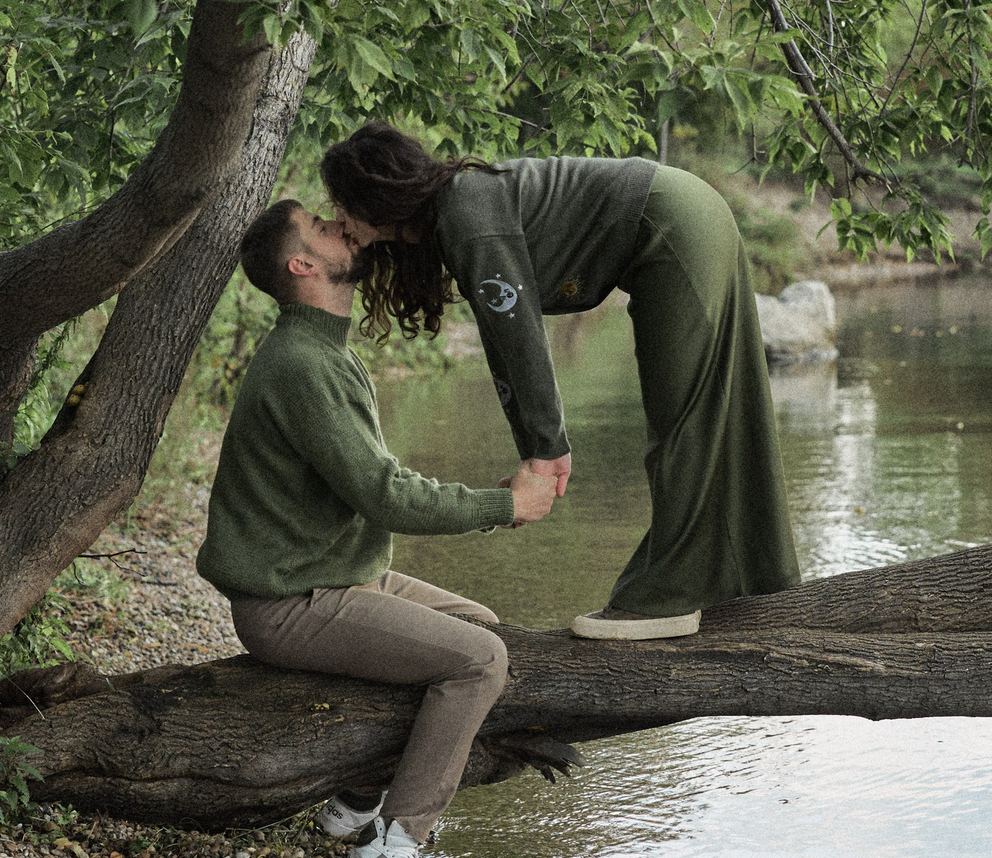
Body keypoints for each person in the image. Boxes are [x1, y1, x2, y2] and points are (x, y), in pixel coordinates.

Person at [201, 198, 557, 858]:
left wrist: (494, 501)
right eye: (322, 227)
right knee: (480, 662)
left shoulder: (328, 352)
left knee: (481, 627)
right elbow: (386, 495)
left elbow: (376, 484)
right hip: (291, 602)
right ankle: (391, 847)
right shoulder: (302, 364)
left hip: (342, 576)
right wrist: (503, 506)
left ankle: (360, 791)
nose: (342, 225)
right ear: (302, 265)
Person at [321, 122, 800, 642]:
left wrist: (547, 447)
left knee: (684, 421)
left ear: (375, 196)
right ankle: (761, 578)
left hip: (672, 222)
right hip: (683, 212)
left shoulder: (464, 214)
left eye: (342, 204)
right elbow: (502, 335)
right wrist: (539, 447)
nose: (338, 218)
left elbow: (520, 336)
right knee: (724, 406)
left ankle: (670, 597)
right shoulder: (453, 216)